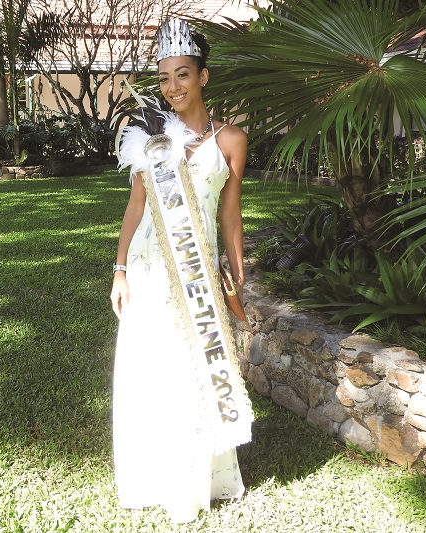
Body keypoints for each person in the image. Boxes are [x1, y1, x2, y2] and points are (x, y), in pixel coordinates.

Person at [109, 18, 253, 523]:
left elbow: (230, 215)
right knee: (153, 366)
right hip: (150, 269)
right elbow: (136, 208)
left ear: (204, 77)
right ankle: (153, 471)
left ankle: (198, 475)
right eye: (165, 77)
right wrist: (120, 267)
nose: (173, 87)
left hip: (197, 269)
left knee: (195, 365)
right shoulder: (150, 138)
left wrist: (237, 273)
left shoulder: (232, 139)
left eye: (183, 75)